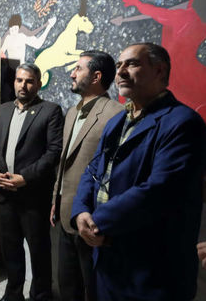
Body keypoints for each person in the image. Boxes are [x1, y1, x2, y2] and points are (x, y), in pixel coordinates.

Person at [71, 43, 206, 301]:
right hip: (108, 259)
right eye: (119, 65)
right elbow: (93, 169)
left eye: (132, 64)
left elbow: (158, 191)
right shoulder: (117, 122)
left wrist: (97, 221)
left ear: (159, 71)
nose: (121, 72)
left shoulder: (182, 123)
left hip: (151, 271)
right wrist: (80, 211)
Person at [0, 62, 63, 301]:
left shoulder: (50, 110)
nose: (23, 85)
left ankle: (41, 295)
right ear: (14, 82)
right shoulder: (4, 110)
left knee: (39, 252)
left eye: (29, 81)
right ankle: (13, 294)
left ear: (38, 84)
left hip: (33, 197)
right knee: (11, 250)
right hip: (5, 193)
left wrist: (25, 177)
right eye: (19, 80)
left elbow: (53, 152)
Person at [50, 51, 122, 301]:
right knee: (67, 283)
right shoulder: (72, 112)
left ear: (96, 77)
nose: (72, 74)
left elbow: (115, 172)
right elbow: (65, 161)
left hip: (92, 217)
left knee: (93, 287)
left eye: (78, 69)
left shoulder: (116, 114)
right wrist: (56, 198)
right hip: (64, 212)